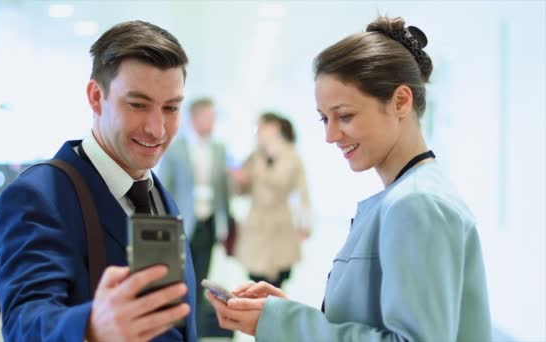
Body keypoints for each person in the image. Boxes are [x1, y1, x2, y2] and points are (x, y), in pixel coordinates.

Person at [207, 16, 492, 341]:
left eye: (345, 116)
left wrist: (288, 324)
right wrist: (289, 315)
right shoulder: (407, 196)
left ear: (401, 101)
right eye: (324, 118)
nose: (330, 135)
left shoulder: (417, 204)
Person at [0, 20, 197, 341]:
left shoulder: (156, 191)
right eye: (138, 105)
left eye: (171, 108)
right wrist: (90, 327)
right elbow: (24, 322)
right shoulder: (39, 196)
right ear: (95, 96)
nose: (157, 130)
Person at [158, 97, 232, 337]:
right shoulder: (175, 148)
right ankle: (174, 333)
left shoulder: (219, 149)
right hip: (181, 226)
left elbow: (223, 192)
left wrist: (224, 225)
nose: (211, 122)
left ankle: (195, 334)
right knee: (178, 284)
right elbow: (163, 188)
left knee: (200, 282)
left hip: (208, 224)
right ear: (194, 118)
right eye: (207, 116)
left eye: (213, 117)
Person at [230, 112, 311, 289]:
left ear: (274, 127)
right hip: (256, 225)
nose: (257, 132)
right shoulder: (254, 156)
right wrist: (239, 181)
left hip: (280, 225)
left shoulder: (291, 155)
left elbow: (301, 194)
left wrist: (305, 226)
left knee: (276, 283)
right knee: (255, 280)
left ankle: (274, 316)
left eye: (261, 127)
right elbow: (242, 191)